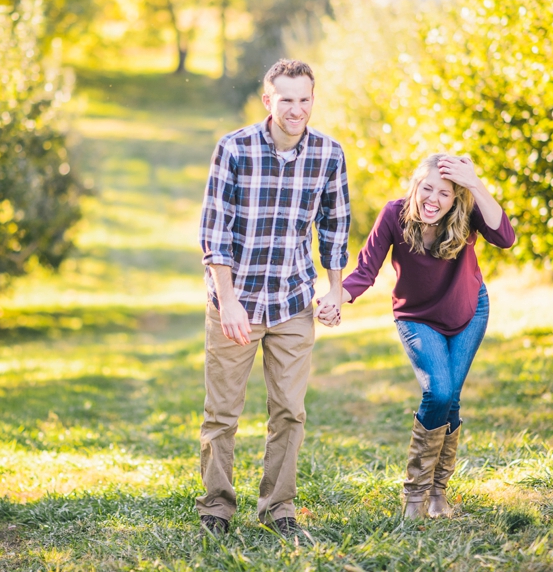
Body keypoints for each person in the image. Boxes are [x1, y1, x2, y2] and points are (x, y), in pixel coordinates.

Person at [197, 59, 349, 537]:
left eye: (305, 99)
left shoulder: (328, 153)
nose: (296, 109)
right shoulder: (234, 148)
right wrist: (228, 300)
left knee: (290, 410)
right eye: (286, 100)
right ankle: (217, 507)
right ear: (268, 101)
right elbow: (215, 232)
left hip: (292, 300)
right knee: (222, 412)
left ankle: (278, 507)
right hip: (236, 301)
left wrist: (336, 287)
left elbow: (335, 227)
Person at [328, 154, 515, 519]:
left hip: (469, 311)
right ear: (415, 186)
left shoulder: (467, 212)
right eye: (427, 188)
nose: (433, 199)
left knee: (453, 400)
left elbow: (505, 237)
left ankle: (437, 496)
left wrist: (474, 183)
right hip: (417, 318)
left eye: (444, 193)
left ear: (455, 197)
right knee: (439, 391)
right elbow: (365, 270)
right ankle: (415, 496)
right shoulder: (394, 215)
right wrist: (338, 298)